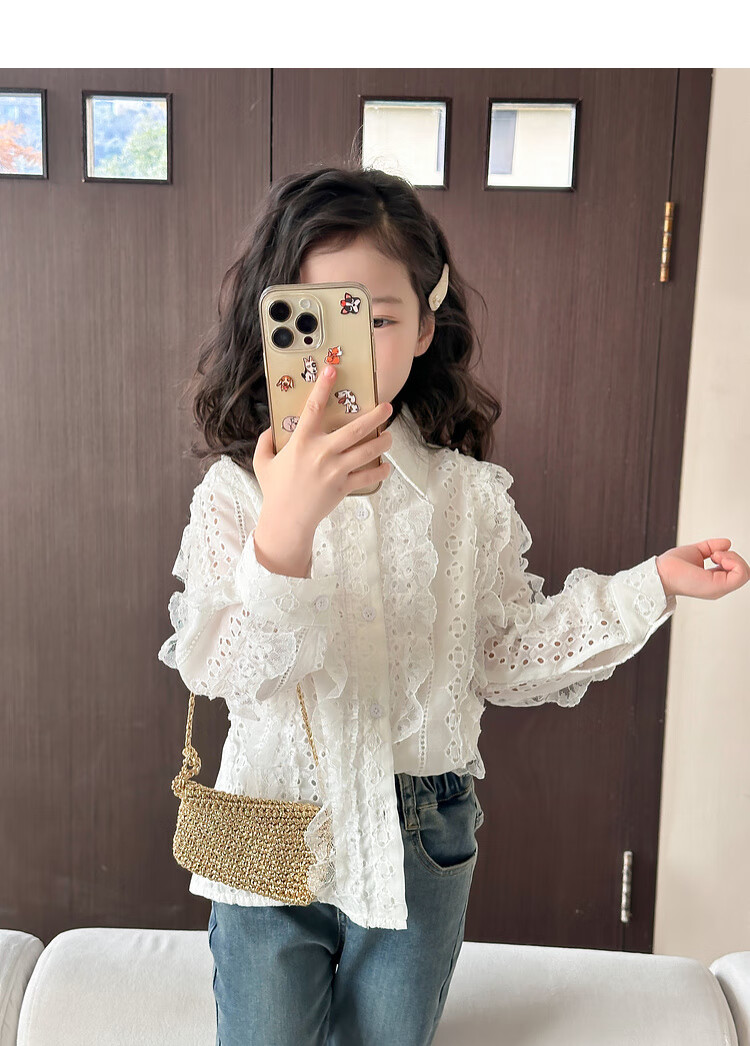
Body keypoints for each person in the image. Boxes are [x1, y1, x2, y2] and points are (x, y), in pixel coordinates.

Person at [158, 163, 749, 1046]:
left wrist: (652, 584)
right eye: (317, 319)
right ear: (272, 324)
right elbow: (219, 665)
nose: (343, 355)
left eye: (375, 318)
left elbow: (504, 656)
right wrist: (287, 527)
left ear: (426, 325)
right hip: (274, 820)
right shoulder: (235, 495)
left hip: (422, 835)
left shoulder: (466, 498)